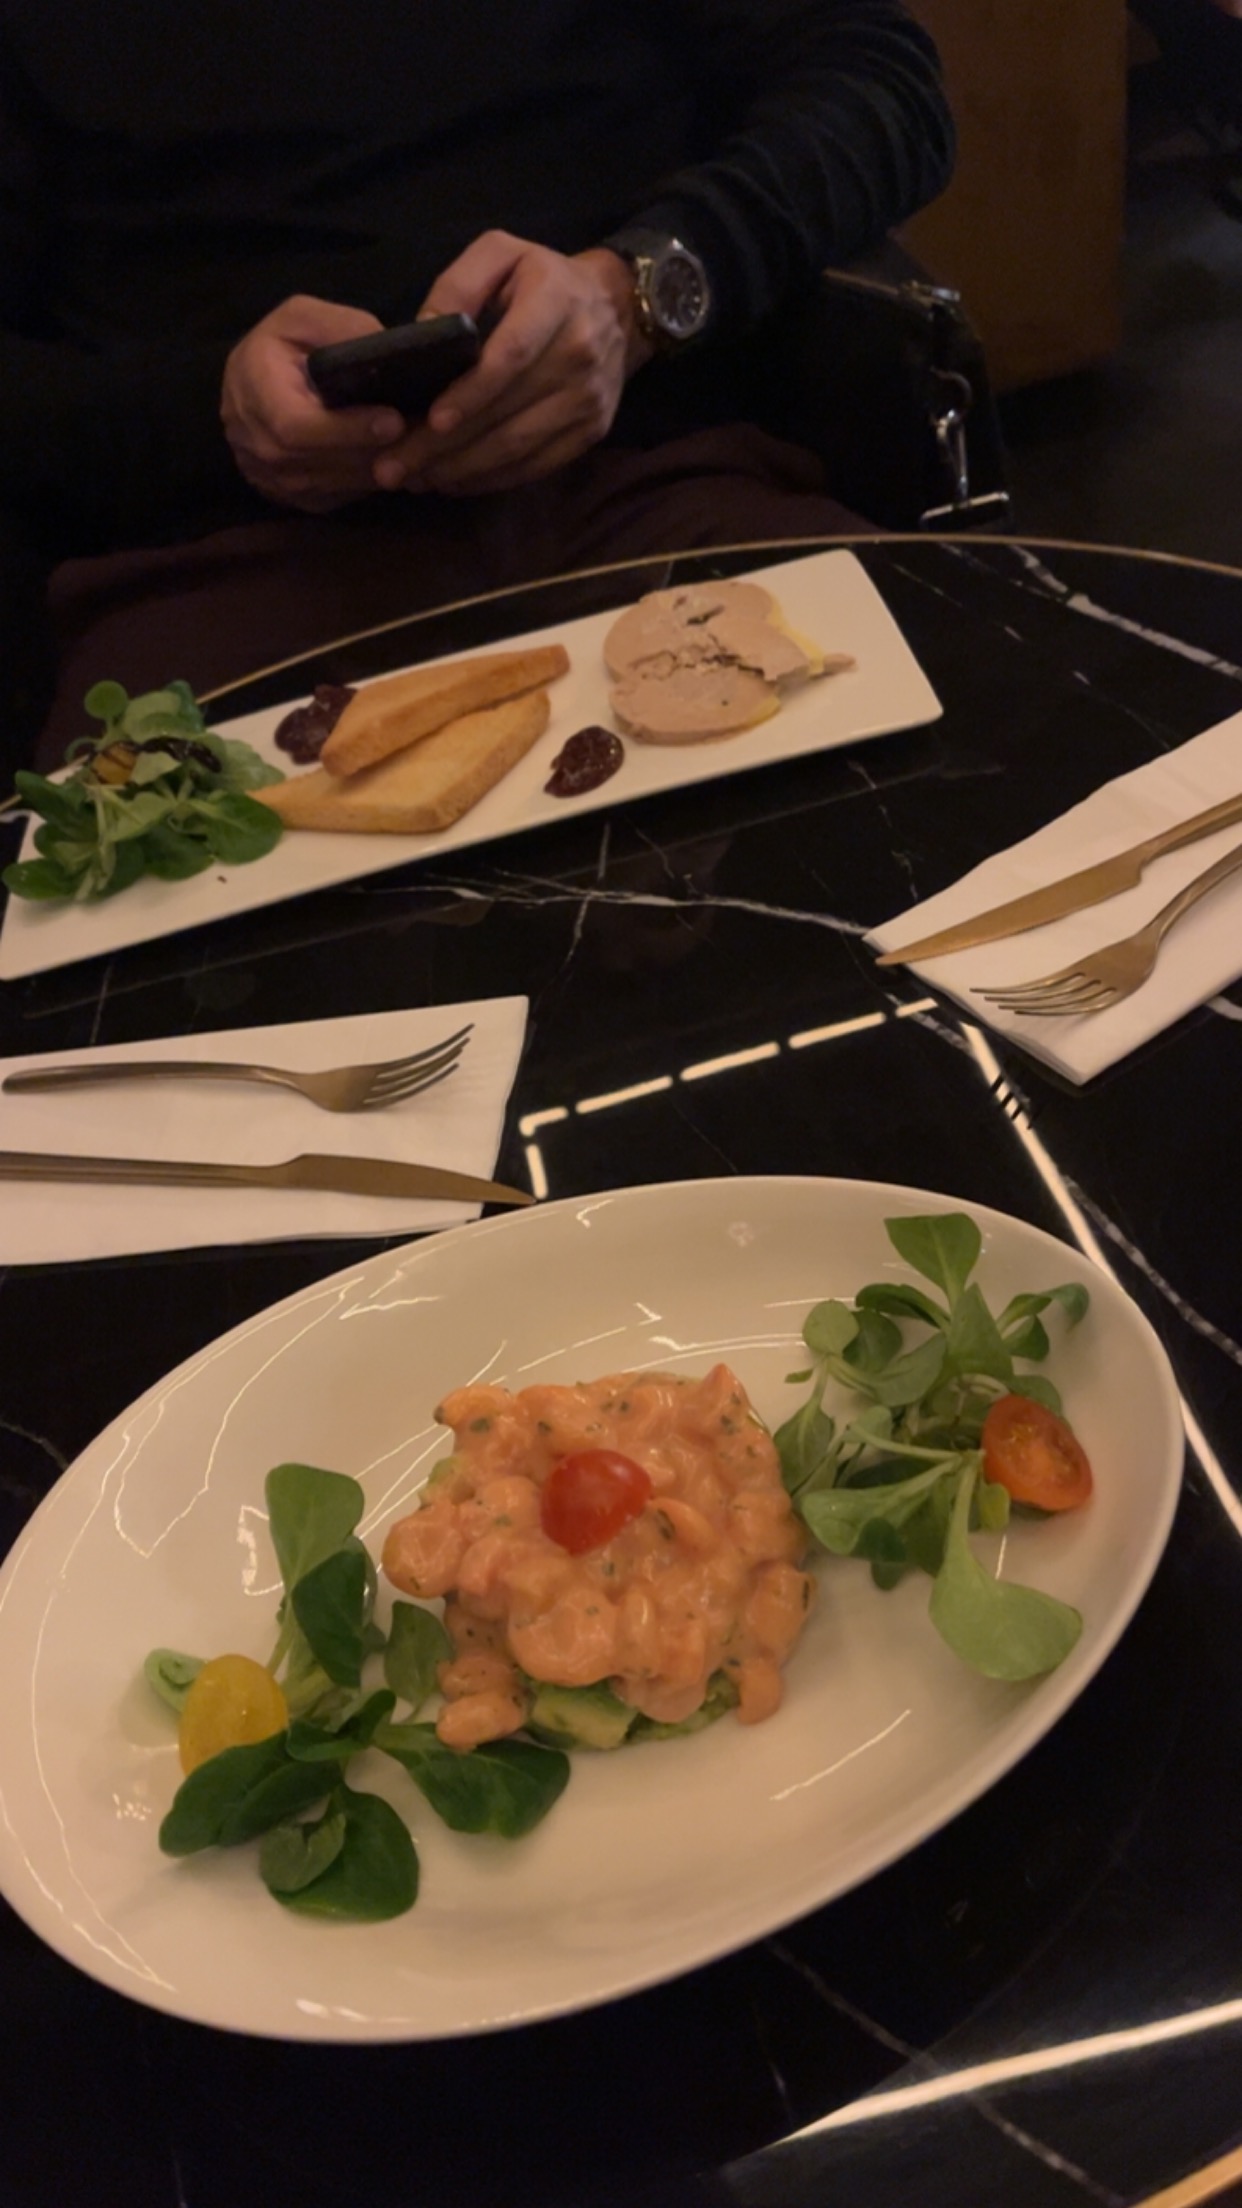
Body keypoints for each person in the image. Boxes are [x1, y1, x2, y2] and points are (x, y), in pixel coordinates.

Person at [0, 1, 955, 771]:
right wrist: (216, 409)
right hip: (219, 574)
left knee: (971, 823)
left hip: (653, 483)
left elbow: (885, 87)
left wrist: (638, 296)